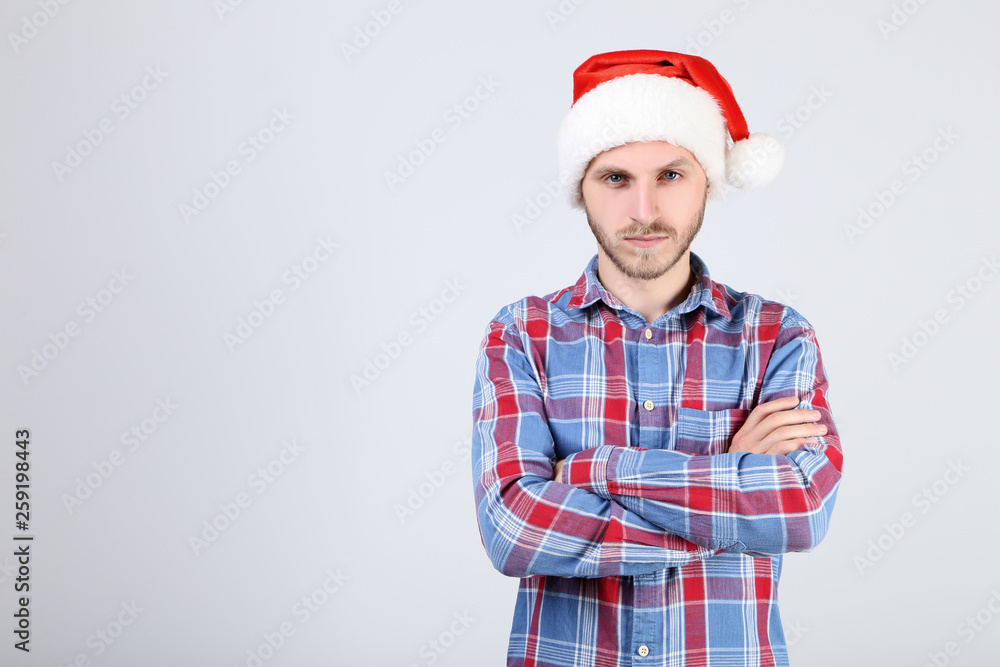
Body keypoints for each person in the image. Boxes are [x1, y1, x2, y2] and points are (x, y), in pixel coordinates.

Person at [470, 49, 843, 666]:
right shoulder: (521, 334)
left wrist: (591, 472)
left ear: (708, 183)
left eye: (671, 175)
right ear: (580, 190)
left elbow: (800, 506)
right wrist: (730, 483)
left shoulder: (777, 335)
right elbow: (514, 531)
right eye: (615, 178)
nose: (644, 210)